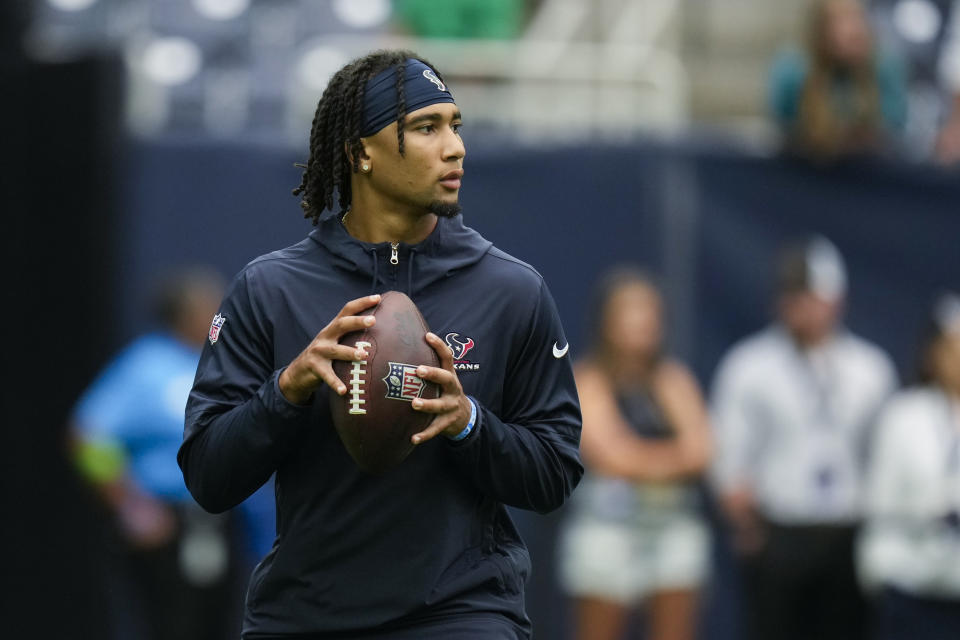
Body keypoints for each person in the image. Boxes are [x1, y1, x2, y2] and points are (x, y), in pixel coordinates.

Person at [177, 49, 583, 639]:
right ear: (360, 152)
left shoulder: (512, 290)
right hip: (305, 612)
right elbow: (209, 479)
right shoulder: (270, 288)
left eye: (455, 126)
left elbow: (554, 475)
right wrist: (287, 391)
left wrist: (469, 422)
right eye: (426, 128)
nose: (455, 147)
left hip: (460, 612)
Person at [710, 236, 897, 640]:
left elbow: (885, 458)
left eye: (809, 296)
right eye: (791, 296)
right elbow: (728, 451)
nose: (799, 307)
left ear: (835, 299)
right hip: (780, 532)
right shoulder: (749, 366)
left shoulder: (871, 369)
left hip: (848, 534)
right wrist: (739, 510)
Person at [71, 267, 242, 640]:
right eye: (210, 307)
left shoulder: (220, 362)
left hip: (217, 520)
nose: (220, 314)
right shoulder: (145, 366)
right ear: (184, 315)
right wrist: (132, 505)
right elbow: (87, 436)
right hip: (168, 524)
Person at [557, 269, 712, 640]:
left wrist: (639, 460)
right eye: (631, 311)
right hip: (606, 528)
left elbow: (702, 451)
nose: (643, 322)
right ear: (607, 321)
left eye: (650, 312)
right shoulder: (587, 379)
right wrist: (671, 460)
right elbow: (611, 457)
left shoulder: (673, 379)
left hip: (672, 527)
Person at [858, 291, 960, 640]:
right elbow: (879, 502)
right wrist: (879, 572)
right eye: (951, 346)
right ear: (932, 353)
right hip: (911, 586)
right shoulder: (902, 416)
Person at [769, 0, 907, 160]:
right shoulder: (793, 73)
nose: (854, 31)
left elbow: (893, 126)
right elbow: (786, 128)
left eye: (858, 19)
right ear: (820, 31)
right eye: (842, 22)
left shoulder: (885, 68)